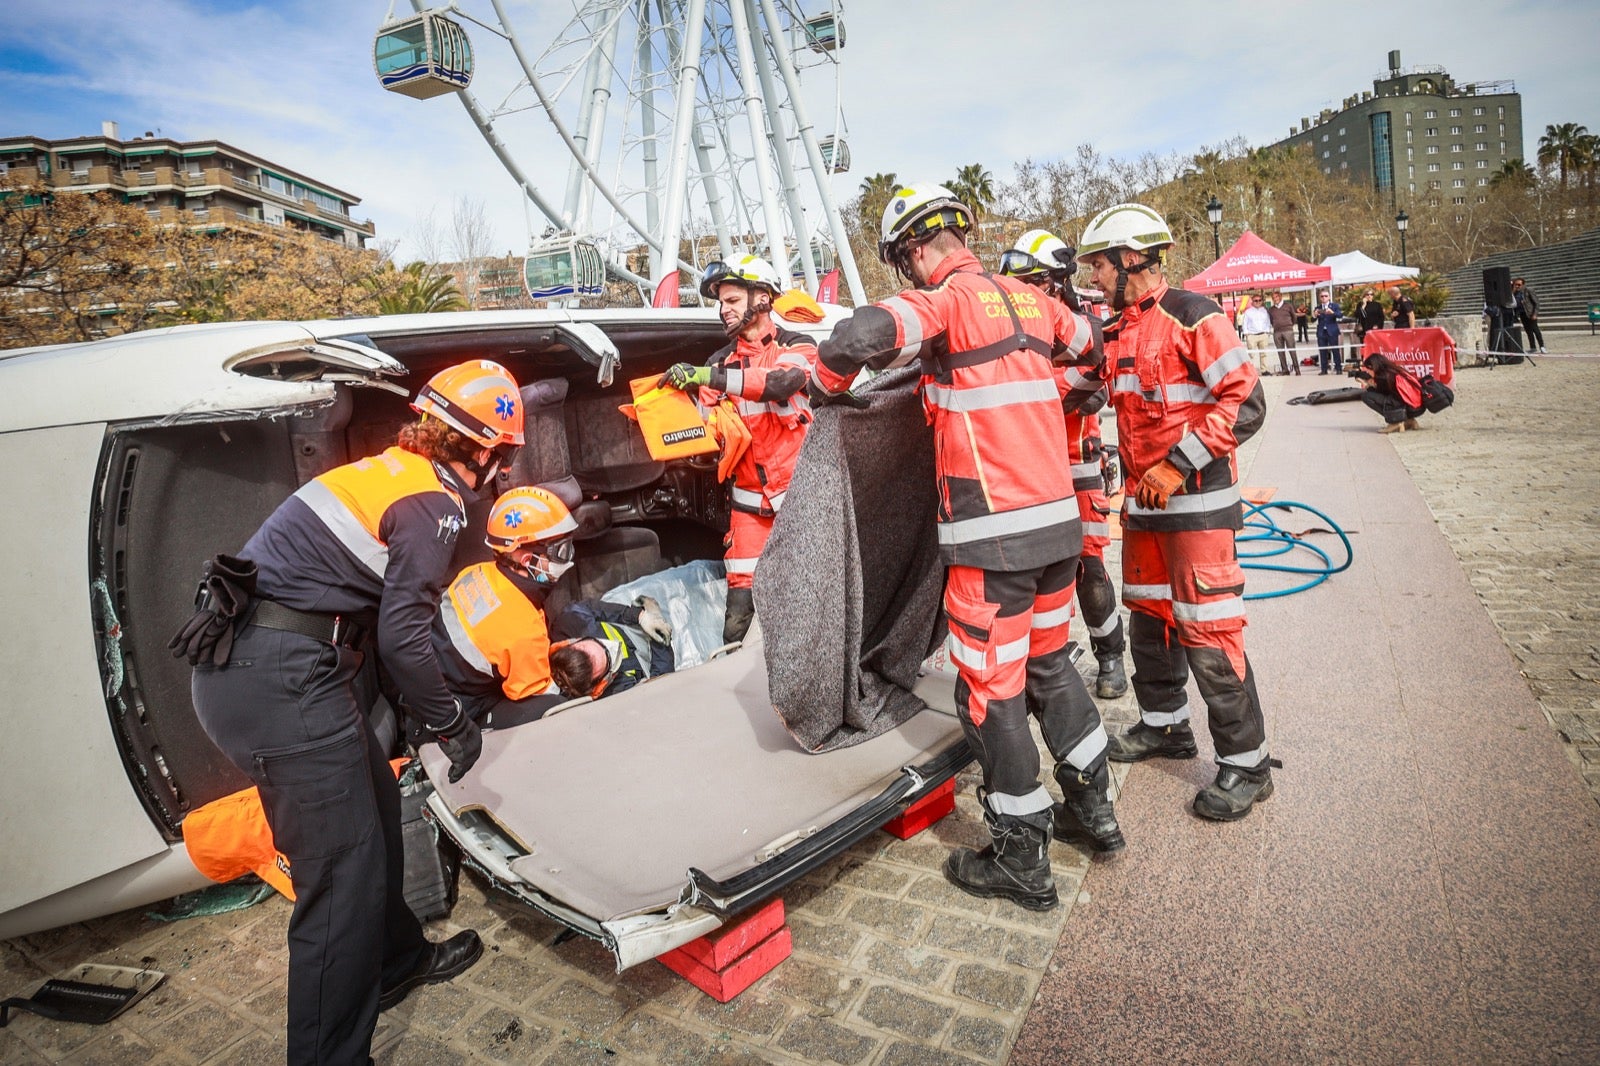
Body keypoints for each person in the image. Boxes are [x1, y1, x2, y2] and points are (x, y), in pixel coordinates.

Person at [174, 360, 522, 1064]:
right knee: (338, 879)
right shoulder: (437, 502)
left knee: (374, 805)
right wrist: (452, 722)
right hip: (279, 682)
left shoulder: (385, 471)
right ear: (485, 448)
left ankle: (394, 962)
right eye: (505, 456)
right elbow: (402, 634)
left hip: (263, 669)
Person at [810, 183, 1122, 913]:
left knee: (988, 690)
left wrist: (829, 389)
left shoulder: (942, 302)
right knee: (1049, 663)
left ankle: (1021, 859)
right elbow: (1093, 352)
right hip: (1055, 530)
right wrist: (1053, 401)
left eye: (904, 262)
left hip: (994, 539)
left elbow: (854, 340)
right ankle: (1095, 814)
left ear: (916, 251)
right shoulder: (1034, 301)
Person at [1062, 203, 1274, 822]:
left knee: (1210, 633)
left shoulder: (1193, 316)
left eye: (1099, 265)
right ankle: (1165, 727)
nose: (1094, 278)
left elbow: (1249, 402)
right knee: (1151, 622)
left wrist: (1176, 464)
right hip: (1148, 514)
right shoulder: (1120, 329)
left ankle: (1247, 765)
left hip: (1196, 510)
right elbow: (1083, 388)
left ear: (1132, 259)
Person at [657, 254, 816, 645]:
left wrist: (707, 376)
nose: (722, 311)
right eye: (720, 303)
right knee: (739, 610)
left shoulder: (798, 345)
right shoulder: (719, 363)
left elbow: (778, 382)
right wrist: (665, 418)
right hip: (749, 509)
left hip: (803, 503)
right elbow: (703, 431)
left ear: (761, 298)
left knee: (816, 600)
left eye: (731, 301)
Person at [998, 229, 1127, 699]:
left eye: (1034, 283)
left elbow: (1096, 387)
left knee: (1088, 566)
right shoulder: (1009, 326)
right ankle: (1041, 663)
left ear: (1054, 282)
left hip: (1076, 464)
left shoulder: (1083, 323)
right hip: (1024, 472)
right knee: (1029, 574)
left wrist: (1049, 393)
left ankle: (1110, 653)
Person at [431, 486, 580, 731]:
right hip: (456, 710)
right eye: (560, 551)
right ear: (526, 559)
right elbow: (535, 692)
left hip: (429, 684)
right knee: (553, 706)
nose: (568, 557)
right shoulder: (523, 631)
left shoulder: (476, 572)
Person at [546, 596, 675, 699]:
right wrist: (661, 641)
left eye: (598, 643)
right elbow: (660, 685)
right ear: (600, 684)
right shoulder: (617, 696)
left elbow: (592, 608)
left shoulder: (569, 624)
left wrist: (639, 616)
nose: (611, 646)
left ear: (575, 642)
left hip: (635, 626)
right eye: (608, 658)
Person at [1353, 352, 1426, 433]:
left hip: (1406, 406)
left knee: (1366, 396)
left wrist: (1366, 384)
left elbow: (1381, 395)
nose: (1367, 372)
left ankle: (1395, 422)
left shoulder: (1383, 377)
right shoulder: (1395, 370)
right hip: (1418, 407)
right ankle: (1409, 421)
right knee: (1393, 400)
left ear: (1372, 367)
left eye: (1368, 369)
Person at [1266, 290, 1299, 376]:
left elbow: (1294, 317)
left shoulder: (1288, 306)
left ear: (1280, 297)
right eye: (1273, 298)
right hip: (1277, 332)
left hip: (1288, 330)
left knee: (1292, 350)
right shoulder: (1271, 309)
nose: (1275, 299)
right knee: (1280, 352)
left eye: (1276, 297)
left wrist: (1290, 325)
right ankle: (1285, 370)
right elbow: (1271, 320)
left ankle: (1297, 369)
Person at [1240, 294, 1274, 375]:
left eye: (1259, 300)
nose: (1258, 302)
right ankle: (1251, 371)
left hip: (1263, 335)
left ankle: (1264, 370)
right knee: (1251, 355)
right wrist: (1247, 334)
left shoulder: (1265, 311)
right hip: (1252, 335)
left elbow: (1268, 322)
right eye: (1256, 300)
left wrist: (1267, 332)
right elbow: (1245, 323)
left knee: (1264, 354)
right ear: (1252, 302)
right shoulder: (1248, 312)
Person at [1512, 277, 1545, 353]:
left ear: (1523, 285)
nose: (1517, 286)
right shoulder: (1514, 293)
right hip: (1522, 314)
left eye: (1519, 284)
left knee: (1535, 330)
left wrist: (1535, 314)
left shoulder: (1528, 290)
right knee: (1528, 331)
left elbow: (1536, 303)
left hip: (1530, 313)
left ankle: (1542, 346)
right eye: (1515, 284)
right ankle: (1533, 347)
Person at [1314, 290, 1343, 374]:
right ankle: (1324, 369)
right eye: (1322, 296)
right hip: (1322, 331)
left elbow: (1340, 315)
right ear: (1320, 298)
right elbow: (1312, 319)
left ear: (1329, 297)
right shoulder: (1318, 307)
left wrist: (1332, 312)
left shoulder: (1334, 306)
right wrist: (1315, 315)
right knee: (1323, 351)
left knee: (1335, 350)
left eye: (1326, 296)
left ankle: (1338, 369)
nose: (1324, 298)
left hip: (1332, 331)